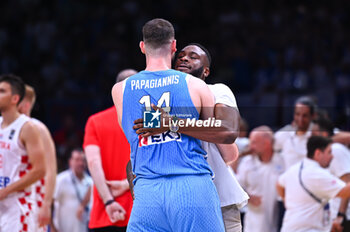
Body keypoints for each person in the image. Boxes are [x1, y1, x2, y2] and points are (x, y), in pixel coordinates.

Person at [112, 18, 234, 231]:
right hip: (191, 186)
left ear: (142, 46)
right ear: (174, 46)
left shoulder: (119, 90)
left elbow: (132, 137)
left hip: (147, 191)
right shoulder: (197, 86)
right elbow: (224, 141)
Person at [173, 43, 249, 231]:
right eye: (181, 55)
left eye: (193, 56)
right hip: (177, 202)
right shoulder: (163, 98)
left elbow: (228, 132)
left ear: (206, 71)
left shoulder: (218, 90)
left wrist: (173, 124)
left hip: (220, 199)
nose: (184, 58)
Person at [83, 69, 137, 232]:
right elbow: (157, 160)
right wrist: (125, 184)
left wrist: (108, 201)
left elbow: (93, 163)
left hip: (106, 213)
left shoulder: (95, 121)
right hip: (141, 212)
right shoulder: (149, 121)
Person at [0, 74, 46, 231]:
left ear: (14, 99)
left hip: (18, 206)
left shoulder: (27, 127)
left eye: (2, 91)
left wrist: (6, 191)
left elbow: (40, 170)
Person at [276, 136, 350, 232]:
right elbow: (345, 192)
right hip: (307, 229)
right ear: (318, 153)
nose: (332, 156)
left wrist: (288, 203)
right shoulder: (316, 174)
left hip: (291, 227)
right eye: (329, 152)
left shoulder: (296, 168)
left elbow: (278, 184)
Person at [18, 84, 57, 230]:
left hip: (33, 199)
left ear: (25, 105)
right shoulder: (5, 126)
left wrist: (46, 204)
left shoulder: (38, 128)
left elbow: (51, 170)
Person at [237, 126, 284, 232]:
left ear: (266, 143)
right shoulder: (247, 162)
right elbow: (236, 188)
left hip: (275, 225)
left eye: (254, 142)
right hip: (251, 226)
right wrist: (248, 197)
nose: (250, 146)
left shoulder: (282, 161)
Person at [312, 117, 350, 231]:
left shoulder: (335, 150)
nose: (310, 137)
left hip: (345, 217)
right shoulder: (327, 151)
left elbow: (347, 182)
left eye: (313, 133)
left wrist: (340, 215)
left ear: (323, 134)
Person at [52, 148, 92, 232]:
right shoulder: (61, 179)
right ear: (70, 161)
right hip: (62, 229)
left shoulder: (90, 182)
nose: (81, 163)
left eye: (83, 160)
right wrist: (52, 228)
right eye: (77, 160)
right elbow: (49, 204)